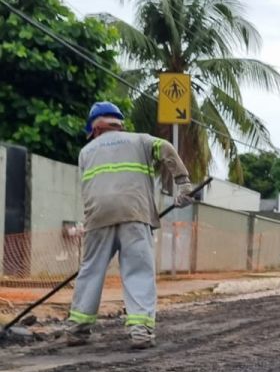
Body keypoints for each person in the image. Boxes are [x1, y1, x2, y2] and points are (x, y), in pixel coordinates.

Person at [65, 102, 193, 350]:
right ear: (118, 124)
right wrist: (183, 183)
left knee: (90, 271)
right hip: (135, 213)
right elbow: (166, 148)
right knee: (138, 270)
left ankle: (77, 329)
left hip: (97, 218)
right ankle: (141, 331)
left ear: (95, 129)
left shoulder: (86, 151)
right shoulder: (140, 141)